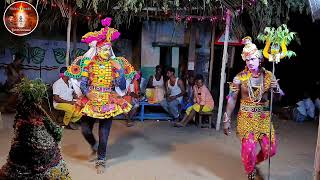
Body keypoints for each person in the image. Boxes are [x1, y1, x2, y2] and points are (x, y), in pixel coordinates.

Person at [65, 17, 136, 174]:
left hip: (108, 100)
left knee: (104, 134)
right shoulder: (88, 64)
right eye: (104, 49)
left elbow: (122, 87)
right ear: (97, 49)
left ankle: (101, 160)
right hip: (91, 100)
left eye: (108, 49)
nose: (107, 52)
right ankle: (94, 146)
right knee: (85, 129)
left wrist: (120, 72)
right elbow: (83, 84)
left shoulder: (115, 64)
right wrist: (88, 94)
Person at [223, 37, 282, 180]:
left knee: (270, 150)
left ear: (260, 59)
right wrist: (226, 118)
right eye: (247, 60)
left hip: (263, 119)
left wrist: (276, 90)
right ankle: (251, 172)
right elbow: (232, 99)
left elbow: (277, 99)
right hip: (246, 118)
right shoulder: (239, 78)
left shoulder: (269, 76)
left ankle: (252, 163)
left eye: (253, 59)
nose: (250, 62)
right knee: (248, 151)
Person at [0, 79, 71, 179]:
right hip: (43, 158)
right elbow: (56, 133)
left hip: (21, 158)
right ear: (38, 100)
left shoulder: (20, 117)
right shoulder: (41, 115)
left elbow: (16, 130)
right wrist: (58, 132)